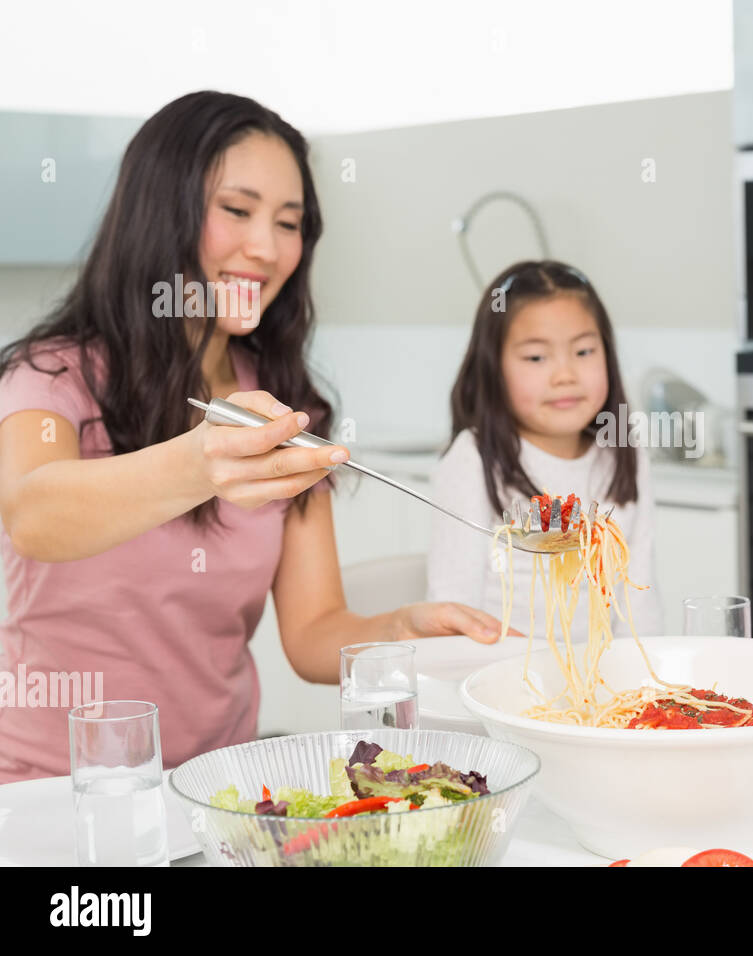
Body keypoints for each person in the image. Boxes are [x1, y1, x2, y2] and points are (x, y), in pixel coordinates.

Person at [0, 92, 509, 783]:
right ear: (161, 208)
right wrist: (201, 460)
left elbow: (312, 633)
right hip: (51, 788)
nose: (267, 249)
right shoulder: (49, 376)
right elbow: (34, 513)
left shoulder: (283, 406)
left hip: (216, 787)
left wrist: (398, 631)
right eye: (236, 211)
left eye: (289, 223)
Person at [427, 260, 662, 641]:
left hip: (602, 688)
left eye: (584, 351)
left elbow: (640, 592)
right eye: (536, 358)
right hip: (498, 682)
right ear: (494, 367)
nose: (565, 375)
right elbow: (454, 609)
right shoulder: (474, 459)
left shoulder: (624, 450)